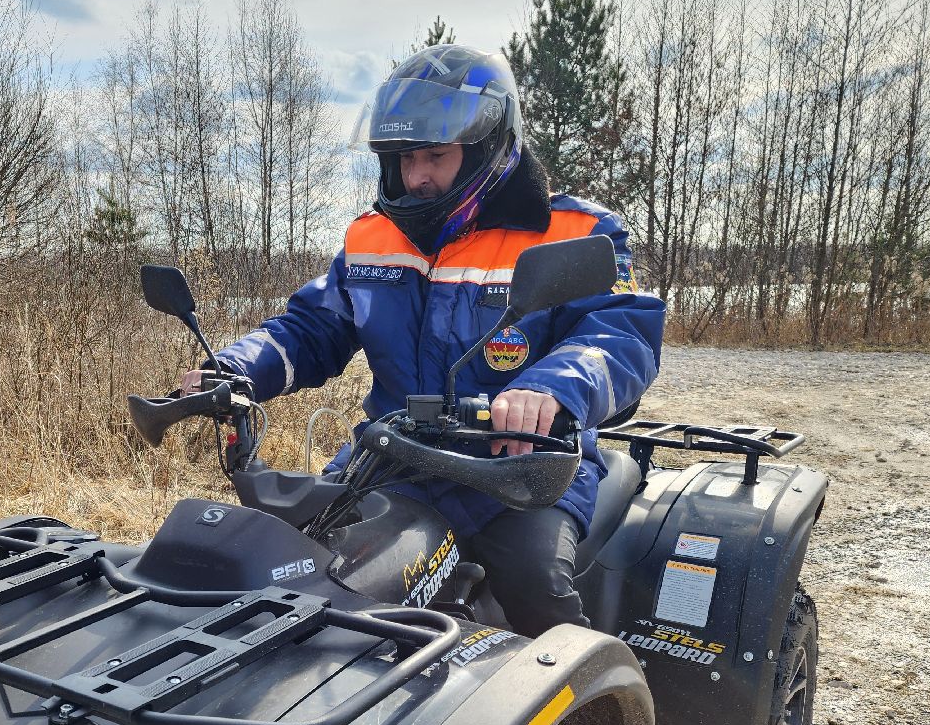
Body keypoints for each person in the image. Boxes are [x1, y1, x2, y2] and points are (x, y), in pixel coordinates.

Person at [181, 44, 664, 636]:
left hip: (517, 468)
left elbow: (621, 330)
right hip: (393, 457)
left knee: (537, 586)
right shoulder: (373, 238)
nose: (417, 177)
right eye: (406, 158)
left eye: (435, 155)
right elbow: (312, 327)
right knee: (296, 564)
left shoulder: (576, 232)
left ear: (490, 146)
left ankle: (597, 716)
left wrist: (550, 390)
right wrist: (236, 368)